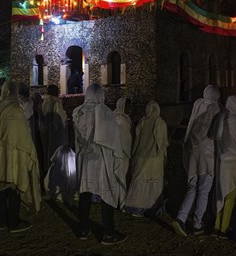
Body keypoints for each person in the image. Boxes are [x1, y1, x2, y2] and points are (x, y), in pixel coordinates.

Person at [72, 83, 127, 245]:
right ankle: (108, 233)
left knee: (85, 193)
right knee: (106, 194)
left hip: (85, 160)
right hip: (102, 160)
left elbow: (77, 139)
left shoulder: (78, 112)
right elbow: (113, 139)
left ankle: (83, 229)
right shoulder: (105, 113)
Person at [0, 81, 41, 233]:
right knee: (14, 185)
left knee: (0, 185)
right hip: (15, 153)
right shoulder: (16, 110)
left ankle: (1, 221)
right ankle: (13, 221)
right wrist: (31, 152)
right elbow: (22, 135)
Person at [171, 85, 221, 237]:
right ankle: (197, 224)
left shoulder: (198, 105)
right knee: (204, 190)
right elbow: (215, 133)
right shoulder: (215, 108)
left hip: (193, 152)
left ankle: (180, 218)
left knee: (192, 188)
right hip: (207, 154)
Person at [212, 95, 236, 239]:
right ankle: (223, 228)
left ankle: (216, 225)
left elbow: (216, 137)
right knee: (230, 195)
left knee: (220, 193)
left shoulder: (221, 119)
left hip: (222, 161)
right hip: (233, 162)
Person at [122, 100, 168, 217]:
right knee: (152, 184)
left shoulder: (142, 122)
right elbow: (162, 143)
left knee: (139, 183)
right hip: (154, 159)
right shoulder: (160, 123)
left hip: (141, 157)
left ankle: (134, 207)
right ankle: (151, 207)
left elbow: (136, 141)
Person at [41, 84, 68, 168]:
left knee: (47, 149)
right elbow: (62, 117)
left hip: (46, 130)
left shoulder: (45, 102)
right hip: (56, 131)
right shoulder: (56, 102)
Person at [114, 97, 134, 190]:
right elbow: (125, 139)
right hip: (121, 153)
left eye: (130, 106)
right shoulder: (122, 121)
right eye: (127, 106)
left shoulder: (115, 117)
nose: (129, 109)